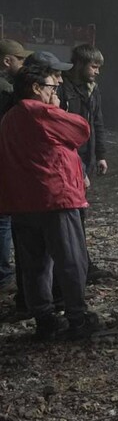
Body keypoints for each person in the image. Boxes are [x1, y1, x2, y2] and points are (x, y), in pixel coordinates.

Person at [0, 65, 100, 340]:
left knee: (35, 264)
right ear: (36, 88)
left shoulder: (9, 118)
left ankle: (44, 319)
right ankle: (77, 318)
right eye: (52, 88)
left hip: (22, 203)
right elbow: (81, 130)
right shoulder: (41, 112)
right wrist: (57, 108)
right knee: (71, 260)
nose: (55, 92)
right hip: (55, 199)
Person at [60, 44, 111, 283]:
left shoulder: (92, 89)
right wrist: (79, 168)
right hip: (68, 159)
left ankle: (82, 265)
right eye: (94, 66)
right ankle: (77, 268)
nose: (97, 72)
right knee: (72, 215)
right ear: (80, 64)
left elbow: (97, 121)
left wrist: (100, 155)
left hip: (85, 156)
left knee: (80, 213)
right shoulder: (60, 88)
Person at [0, 39, 32, 293]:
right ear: (7, 61)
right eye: (20, 59)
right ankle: (3, 275)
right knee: (4, 220)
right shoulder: (5, 90)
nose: (23, 64)